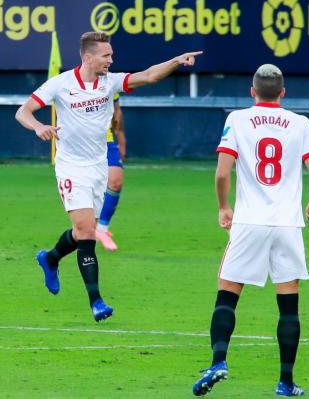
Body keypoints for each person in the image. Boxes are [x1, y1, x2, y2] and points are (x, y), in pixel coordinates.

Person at [15, 31, 201, 322]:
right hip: (71, 167)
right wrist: (38, 126)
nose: (111, 60)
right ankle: (96, 301)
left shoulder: (109, 82)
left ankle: (50, 259)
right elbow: (23, 111)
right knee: (87, 232)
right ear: (88, 57)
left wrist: (175, 61)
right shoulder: (61, 84)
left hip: (98, 167)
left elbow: (149, 75)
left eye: (111, 56)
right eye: (106, 56)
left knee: (81, 231)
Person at [192, 64, 309, 397]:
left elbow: (223, 173)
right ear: (283, 92)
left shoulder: (237, 119)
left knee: (227, 293)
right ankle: (285, 382)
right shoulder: (301, 123)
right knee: (288, 305)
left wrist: (224, 207)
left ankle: (219, 361)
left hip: (249, 221)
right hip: (287, 224)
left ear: (252, 92)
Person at [95, 92, 125, 252]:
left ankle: (102, 228)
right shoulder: (72, 82)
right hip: (82, 143)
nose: (108, 64)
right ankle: (86, 228)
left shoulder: (110, 83)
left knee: (116, 181)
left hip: (106, 140)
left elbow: (117, 112)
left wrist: (121, 138)